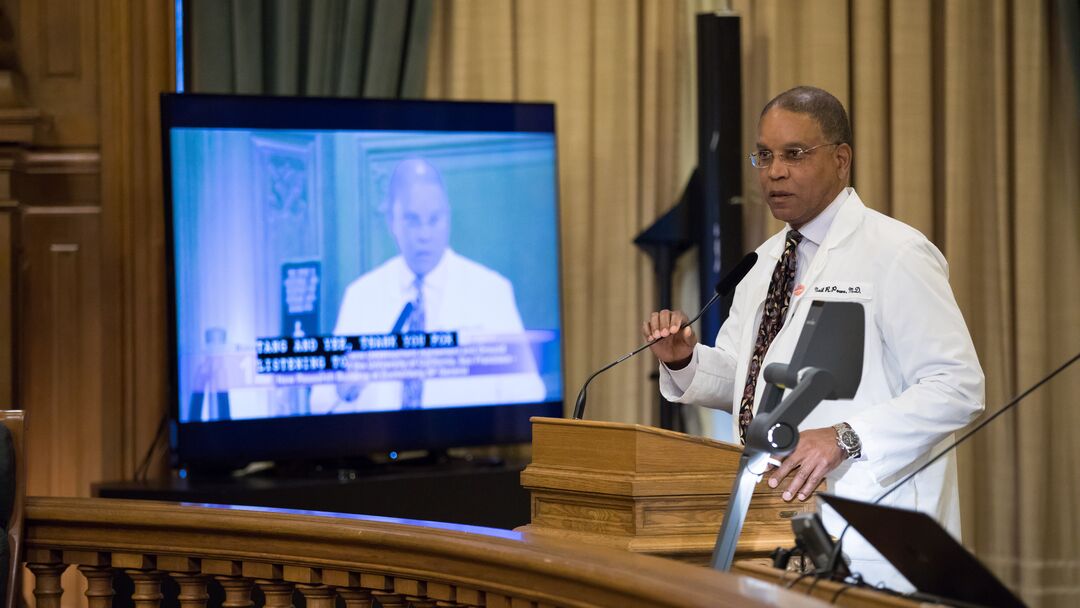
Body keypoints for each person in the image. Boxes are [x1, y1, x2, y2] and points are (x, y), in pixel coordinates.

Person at [643, 86, 984, 589]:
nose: (774, 171)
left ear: (841, 160)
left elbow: (957, 387)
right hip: (777, 529)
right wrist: (685, 362)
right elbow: (748, 384)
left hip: (874, 525)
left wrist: (845, 437)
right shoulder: (764, 262)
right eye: (764, 155)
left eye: (794, 155)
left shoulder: (896, 252)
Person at [310, 158, 545, 413]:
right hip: (378, 444)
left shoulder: (491, 291)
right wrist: (343, 390)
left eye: (434, 220)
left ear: (448, 218)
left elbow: (528, 394)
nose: (424, 234)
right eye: (411, 220)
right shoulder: (361, 295)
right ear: (391, 222)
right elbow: (320, 404)